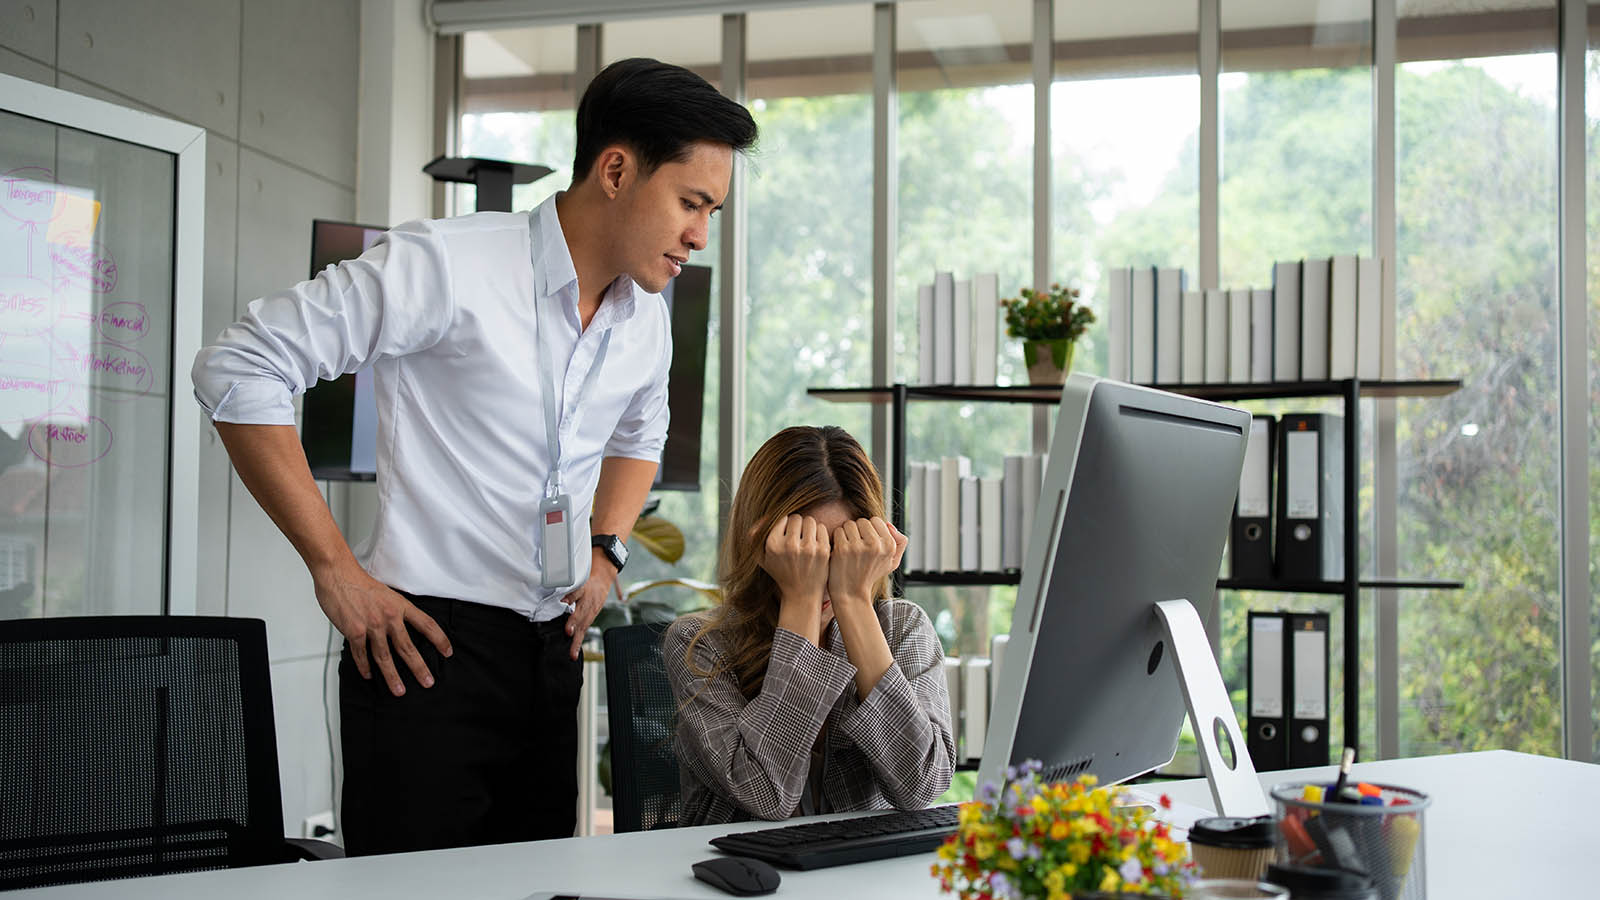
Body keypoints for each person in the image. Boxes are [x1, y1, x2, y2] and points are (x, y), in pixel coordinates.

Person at [190, 58, 756, 854]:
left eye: (712, 211)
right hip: (422, 653)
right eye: (692, 203)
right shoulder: (445, 265)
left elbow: (640, 436)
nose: (700, 234)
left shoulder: (646, 315)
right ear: (618, 170)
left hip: (552, 652)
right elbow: (238, 365)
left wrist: (607, 550)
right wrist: (334, 569)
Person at [665, 425, 955, 826]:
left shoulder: (903, 629)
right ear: (760, 543)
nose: (821, 569)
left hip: (861, 875)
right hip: (738, 871)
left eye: (841, 549)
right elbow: (765, 795)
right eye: (804, 549)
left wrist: (854, 601)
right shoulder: (701, 643)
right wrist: (800, 601)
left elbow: (920, 785)